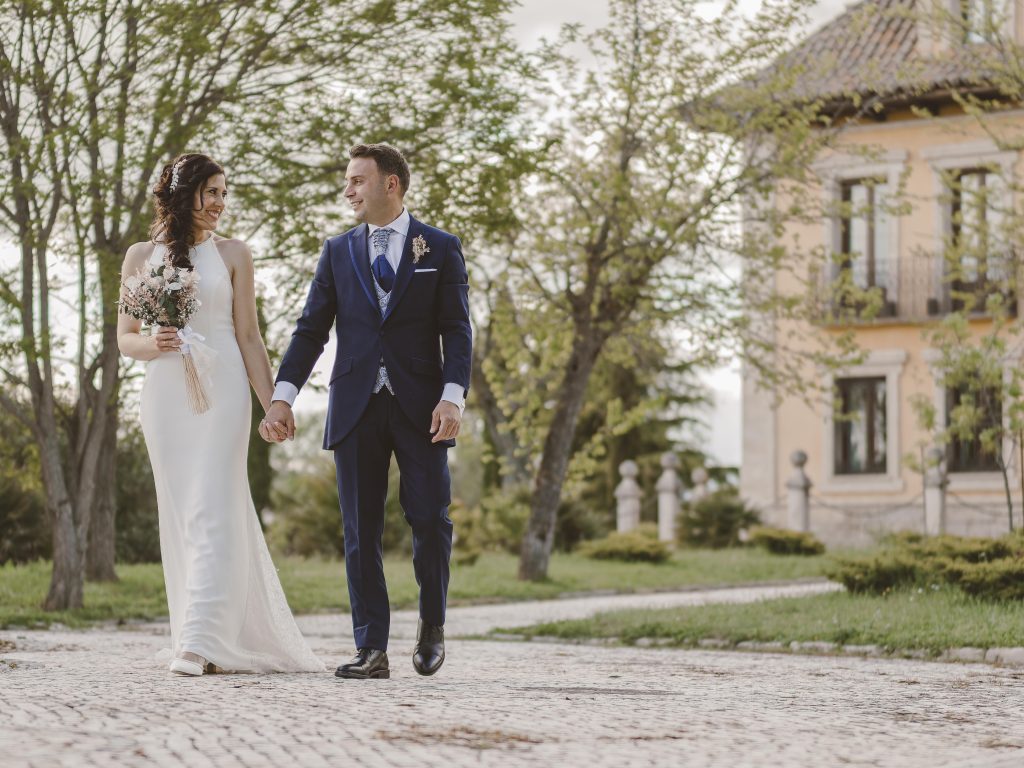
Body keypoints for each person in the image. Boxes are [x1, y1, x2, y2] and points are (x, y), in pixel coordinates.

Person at [261, 143, 472, 679]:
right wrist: (282, 394)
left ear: (391, 185)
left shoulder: (440, 248)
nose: (348, 190)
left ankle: (432, 625)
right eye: (348, 181)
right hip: (355, 405)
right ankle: (371, 648)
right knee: (360, 530)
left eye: (357, 180)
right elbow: (310, 330)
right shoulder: (337, 251)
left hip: (423, 408)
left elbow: (457, 329)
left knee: (429, 518)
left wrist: (453, 396)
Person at [117, 153, 325, 676]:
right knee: (184, 513)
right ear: (182, 192)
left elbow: (250, 337)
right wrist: (155, 340)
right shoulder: (140, 255)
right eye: (211, 191)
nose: (219, 203)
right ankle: (200, 628)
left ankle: (200, 641)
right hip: (165, 395)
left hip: (225, 388)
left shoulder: (234, 254)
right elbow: (125, 340)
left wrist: (274, 401)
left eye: (224, 193)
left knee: (212, 504)